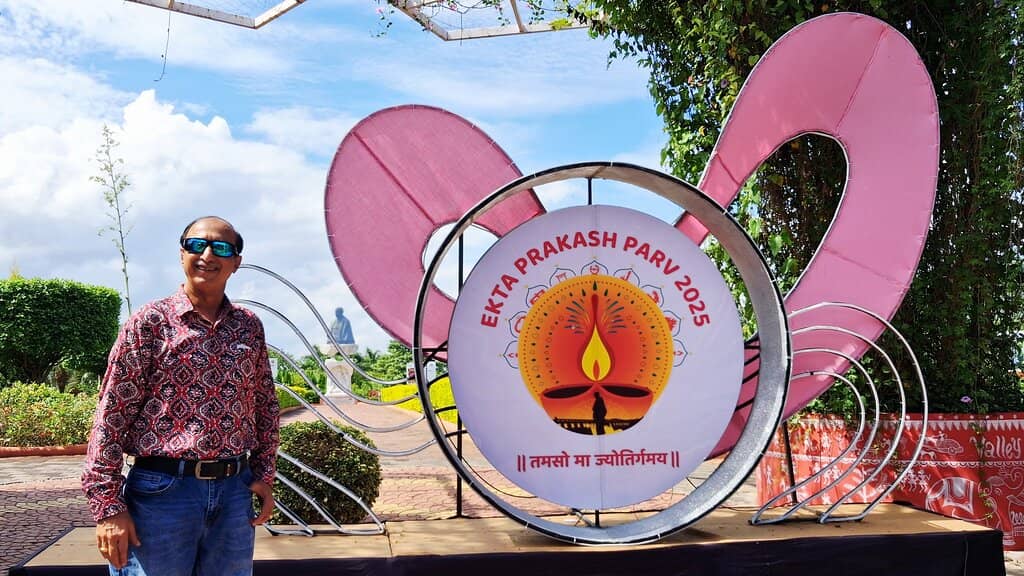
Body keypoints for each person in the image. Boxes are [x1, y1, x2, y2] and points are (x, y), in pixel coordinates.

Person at [81, 216, 280, 575]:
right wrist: (108, 508)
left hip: (234, 495)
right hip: (162, 495)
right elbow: (111, 414)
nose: (207, 254)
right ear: (181, 253)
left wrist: (264, 473)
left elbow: (265, 404)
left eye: (221, 248)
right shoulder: (149, 322)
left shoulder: (248, 326)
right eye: (196, 244)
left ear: (236, 263)